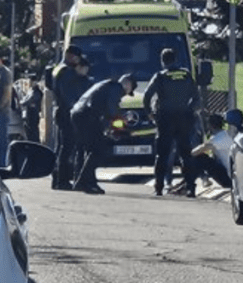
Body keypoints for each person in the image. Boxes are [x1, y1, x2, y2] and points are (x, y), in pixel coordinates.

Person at [143, 48, 201, 197]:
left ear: (163, 61)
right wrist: (191, 110)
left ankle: (159, 187)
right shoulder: (186, 75)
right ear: (175, 59)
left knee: (162, 154)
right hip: (184, 119)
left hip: (165, 119)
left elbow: (147, 96)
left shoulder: (160, 76)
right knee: (186, 154)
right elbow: (196, 97)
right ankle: (191, 188)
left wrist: (149, 113)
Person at [70, 74, 137, 194]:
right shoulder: (116, 87)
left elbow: (105, 110)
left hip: (79, 113)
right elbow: (112, 109)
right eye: (129, 91)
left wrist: (111, 127)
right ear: (128, 84)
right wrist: (120, 127)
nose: (125, 95)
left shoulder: (105, 84)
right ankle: (86, 183)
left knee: (87, 149)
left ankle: (83, 182)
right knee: (97, 150)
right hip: (87, 115)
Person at [51, 45, 86, 189]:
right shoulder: (67, 72)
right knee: (67, 147)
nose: (78, 61)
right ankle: (62, 180)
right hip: (67, 112)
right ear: (70, 55)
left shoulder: (58, 68)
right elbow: (68, 94)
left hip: (60, 110)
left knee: (61, 147)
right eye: (76, 57)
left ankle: (57, 179)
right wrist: (76, 108)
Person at [171, 113, 232, 193]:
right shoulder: (224, 135)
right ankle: (186, 183)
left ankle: (188, 185)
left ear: (211, 125)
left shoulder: (218, 139)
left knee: (200, 159)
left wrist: (186, 156)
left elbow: (197, 151)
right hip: (227, 173)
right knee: (201, 158)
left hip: (227, 178)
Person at [20, 75, 43, 142]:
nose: (29, 82)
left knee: (34, 131)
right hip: (29, 114)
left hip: (34, 114)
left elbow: (28, 100)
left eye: (31, 81)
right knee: (29, 131)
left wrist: (21, 103)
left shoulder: (37, 92)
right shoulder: (31, 90)